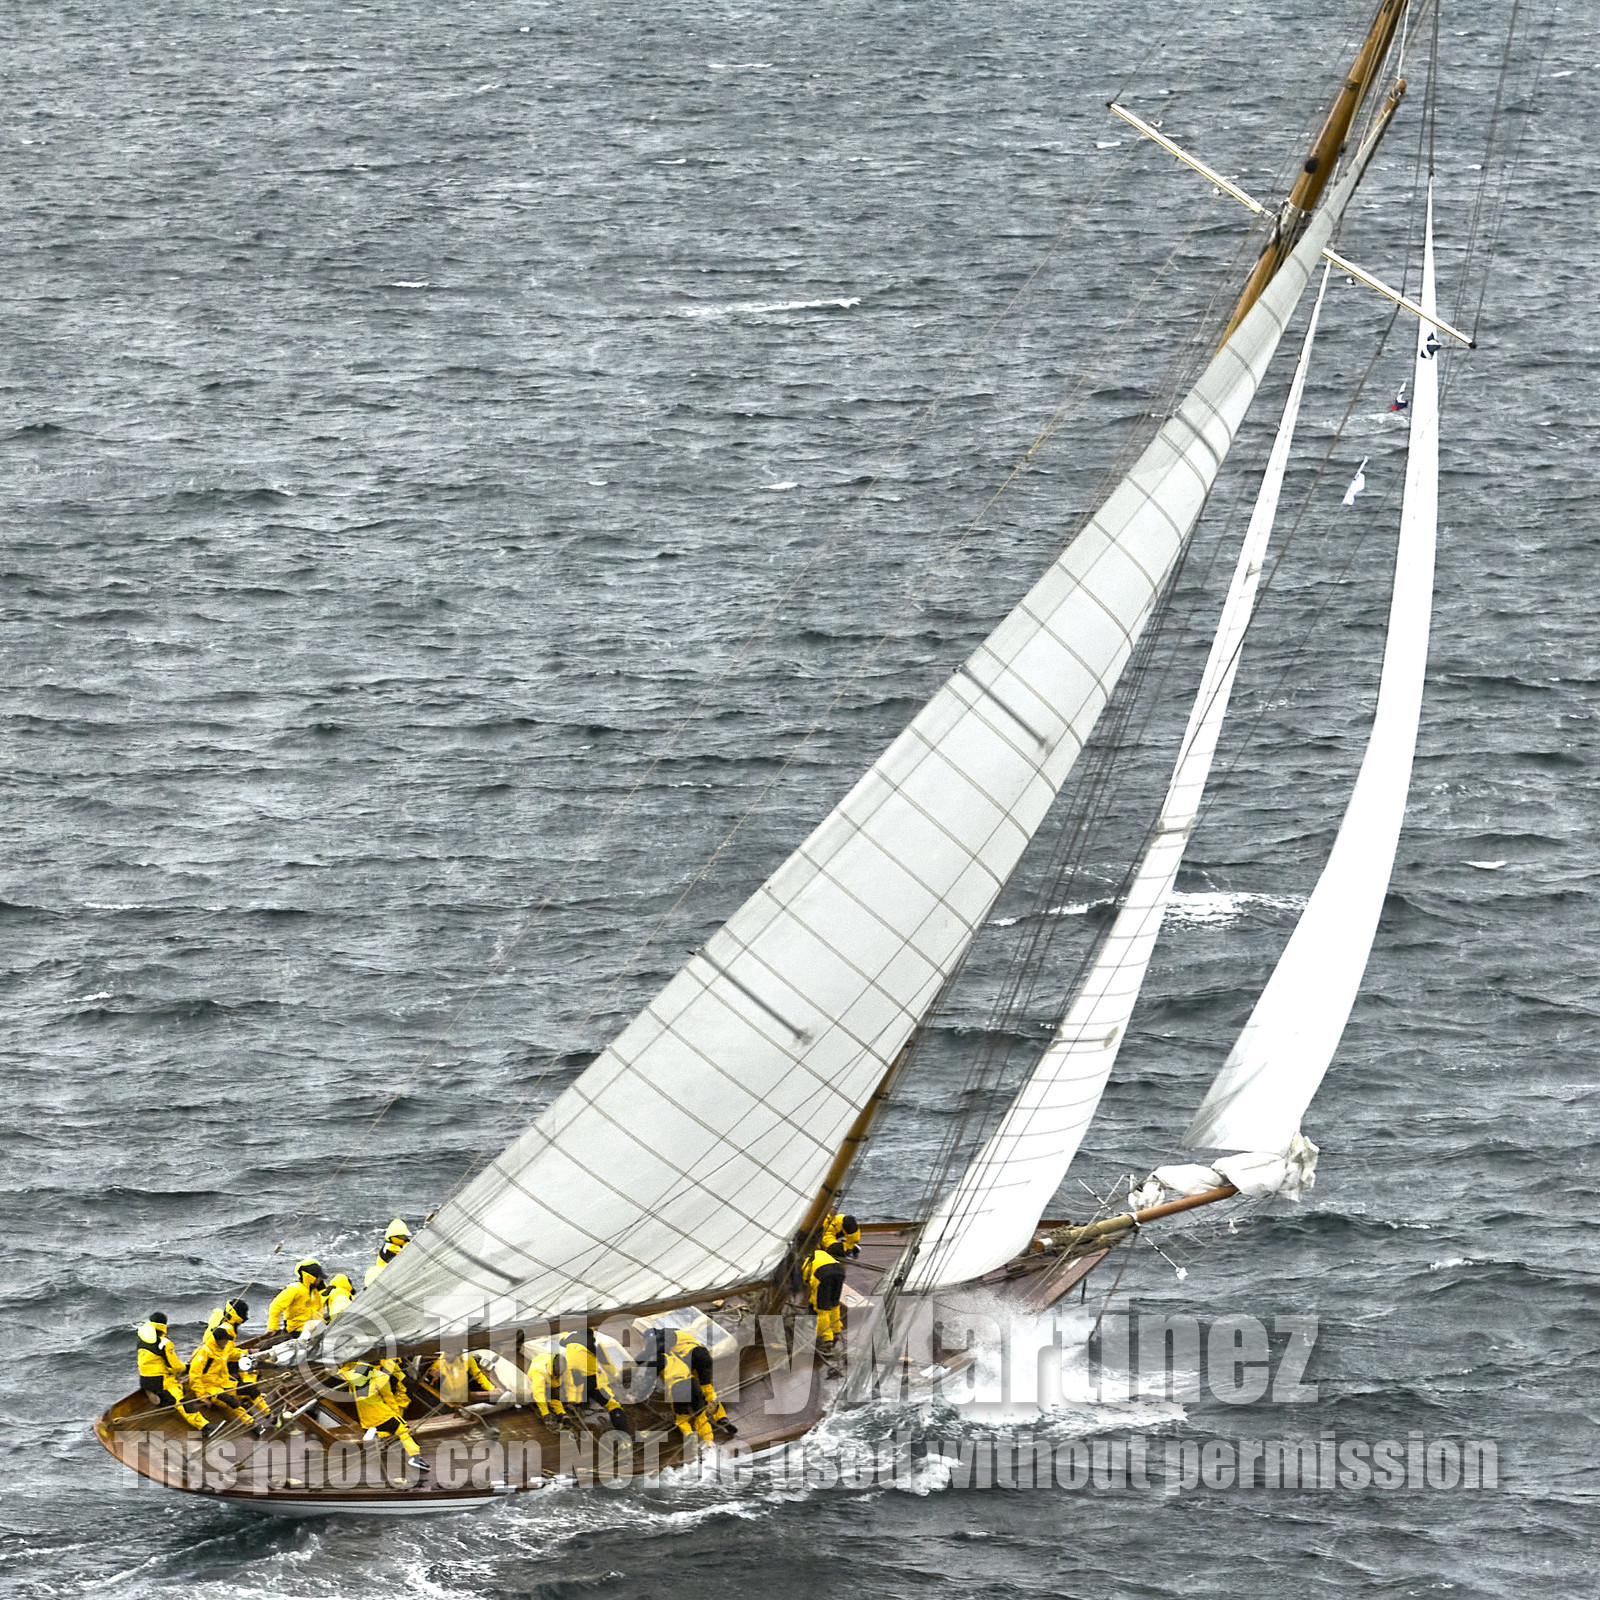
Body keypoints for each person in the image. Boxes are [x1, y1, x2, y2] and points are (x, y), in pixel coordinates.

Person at [639, 1324, 735, 1441]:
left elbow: (655, 1350)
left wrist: (637, 1360)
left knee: (682, 1412)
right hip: (703, 1356)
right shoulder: (678, 1335)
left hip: (692, 1357)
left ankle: (689, 1434)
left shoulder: (664, 1335)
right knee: (706, 1389)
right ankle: (721, 1417)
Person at [347, 1359, 429, 1482]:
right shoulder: (379, 1376)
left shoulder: (352, 1373)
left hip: (365, 1416)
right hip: (382, 1413)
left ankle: (374, 1432)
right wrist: (396, 1414)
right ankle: (415, 1457)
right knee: (403, 1429)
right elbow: (388, 1397)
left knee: (388, 1430)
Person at [188, 1311, 270, 1430]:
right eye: (225, 1341)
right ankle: (250, 1423)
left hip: (224, 1383)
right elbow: (194, 1375)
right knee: (232, 1402)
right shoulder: (203, 1353)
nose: (227, 1343)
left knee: (251, 1389)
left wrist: (248, 1352)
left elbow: (227, 1360)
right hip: (210, 1389)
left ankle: (268, 1413)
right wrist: (202, 1397)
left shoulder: (223, 1350)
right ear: (218, 1340)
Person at [135, 1314, 207, 1428]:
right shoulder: (164, 1343)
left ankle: (161, 1399)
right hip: (160, 1381)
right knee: (181, 1401)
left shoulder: (142, 1341)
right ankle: (204, 1426)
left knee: (170, 1392)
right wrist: (186, 1368)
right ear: (163, 1326)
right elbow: (174, 1366)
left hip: (145, 1380)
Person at [559, 1329, 635, 1435]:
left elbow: (562, 1338)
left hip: (577, 1384)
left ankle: (576, 1406)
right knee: (613, 1405)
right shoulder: (595, 1345)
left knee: (580, 1399)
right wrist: (616, 1376)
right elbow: (606, 1364)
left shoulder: (569, 1341)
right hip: (593, 1382)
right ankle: (624, 1433)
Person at [425, 1348, 501, 1408]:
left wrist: (491, 1388)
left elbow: (479, 1376)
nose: (445, 1356)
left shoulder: (468, 1359)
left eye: (449, 1353)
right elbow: (428, 1380)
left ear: (457, 1353)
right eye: (445, 1352)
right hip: (449, 1396)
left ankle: (495, 1396)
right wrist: (432, 1375)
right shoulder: (439, 1362)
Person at [268, 1259, 328, 1334]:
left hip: (313, 1329)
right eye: (319, 1277)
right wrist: (273, 1327)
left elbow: (320, 1311)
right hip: (297, 1331)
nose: (321, 1280)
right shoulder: (294, 1289)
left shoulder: (314, 1292)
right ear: (310, 1277)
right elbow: (275, 1306)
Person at [522, 1338, 571, 1427]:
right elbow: (538, 1393)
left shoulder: (564, 1369)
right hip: (539, 1376)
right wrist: (545, 1413)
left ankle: (561, 1412)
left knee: (555, 1393)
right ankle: (554, 1412)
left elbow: (569, 1383)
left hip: (551, 1377)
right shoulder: (539, 1372)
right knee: (545, 1393)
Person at [808, 1241, 847, 1349]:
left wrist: (812, 1302)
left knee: (823, 1309)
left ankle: (826, 1338)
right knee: (834, 1304)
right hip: (839, 1272)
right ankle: (836, 1331)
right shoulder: (825, 1254)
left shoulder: (809, 1259)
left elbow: (809, 1281)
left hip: (823, 1274)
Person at [364, 1218, 412, 1287]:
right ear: (393, 1237)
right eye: (402, 1236)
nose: (405, 1238)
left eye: (405, 1236)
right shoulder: (387, 1249)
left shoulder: (403, 1243)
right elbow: (398, 1263)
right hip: (386, 1276)